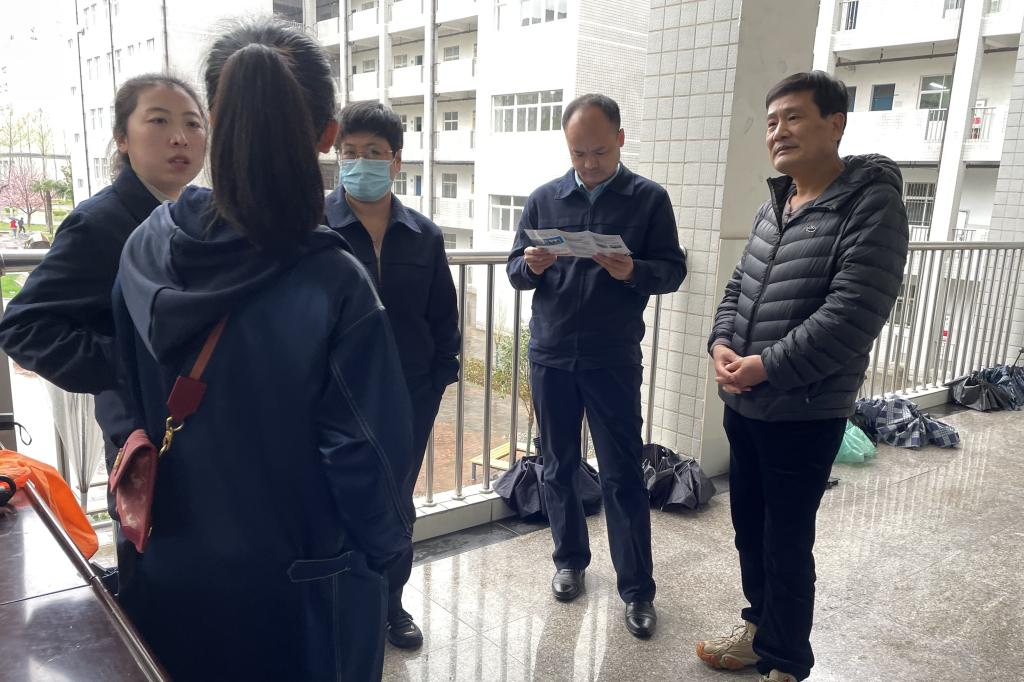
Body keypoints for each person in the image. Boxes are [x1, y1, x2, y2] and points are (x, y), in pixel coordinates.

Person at [111, 19, 415, 681]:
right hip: (300, 588)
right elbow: (364, 456)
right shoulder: (335, 282)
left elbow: (120, 380)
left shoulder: (148, 243)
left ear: (216, 120)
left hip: (169, 568)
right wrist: (389, 553)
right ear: (327, 135)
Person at [697, 71, 909, 682]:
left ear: (834, 124)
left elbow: (852, 314)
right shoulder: (777, 204)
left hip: (805, 408)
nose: (778, 132)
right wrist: (721, 345)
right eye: (771, 122)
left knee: (786, 541)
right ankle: (759, 630)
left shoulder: (871, 205)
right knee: (750, 530)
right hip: (746, 403)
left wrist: (766, 366)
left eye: (793, 117)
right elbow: (738, 287)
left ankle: (786, 662)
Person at [0, 73, 208, 591]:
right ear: (122, 138)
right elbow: (24, 326)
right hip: (144, 440)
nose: (179, 138)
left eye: (193, 124)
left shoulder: (199, 217)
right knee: (157, 574)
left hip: (202, 430)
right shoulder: (101, 222)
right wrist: (128, 366)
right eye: (158, 121)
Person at [506, 93, 686, 639]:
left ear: (621, 140)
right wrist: (532, 266)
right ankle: (569, 561)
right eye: (578, 153)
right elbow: (515, 270)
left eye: (599, 152)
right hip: (551, 354)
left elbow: (672, 270)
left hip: (612, 356)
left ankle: (637, 590)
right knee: (557, 465)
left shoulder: (648, 199)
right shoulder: (544, 199)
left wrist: (633, 271)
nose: (588, 163)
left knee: (622, 473)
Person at [324, 100, 460, 651]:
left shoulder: (423, 234)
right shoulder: (314, 228)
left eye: (374, 152)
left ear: (396, 161)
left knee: (398, 500)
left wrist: (438, 378)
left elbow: (442, 314)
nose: (361, 162)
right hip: (338, 395)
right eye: (350, 152)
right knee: (337, 497)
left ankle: (390, 604)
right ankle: (342, 604)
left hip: (411, 393)